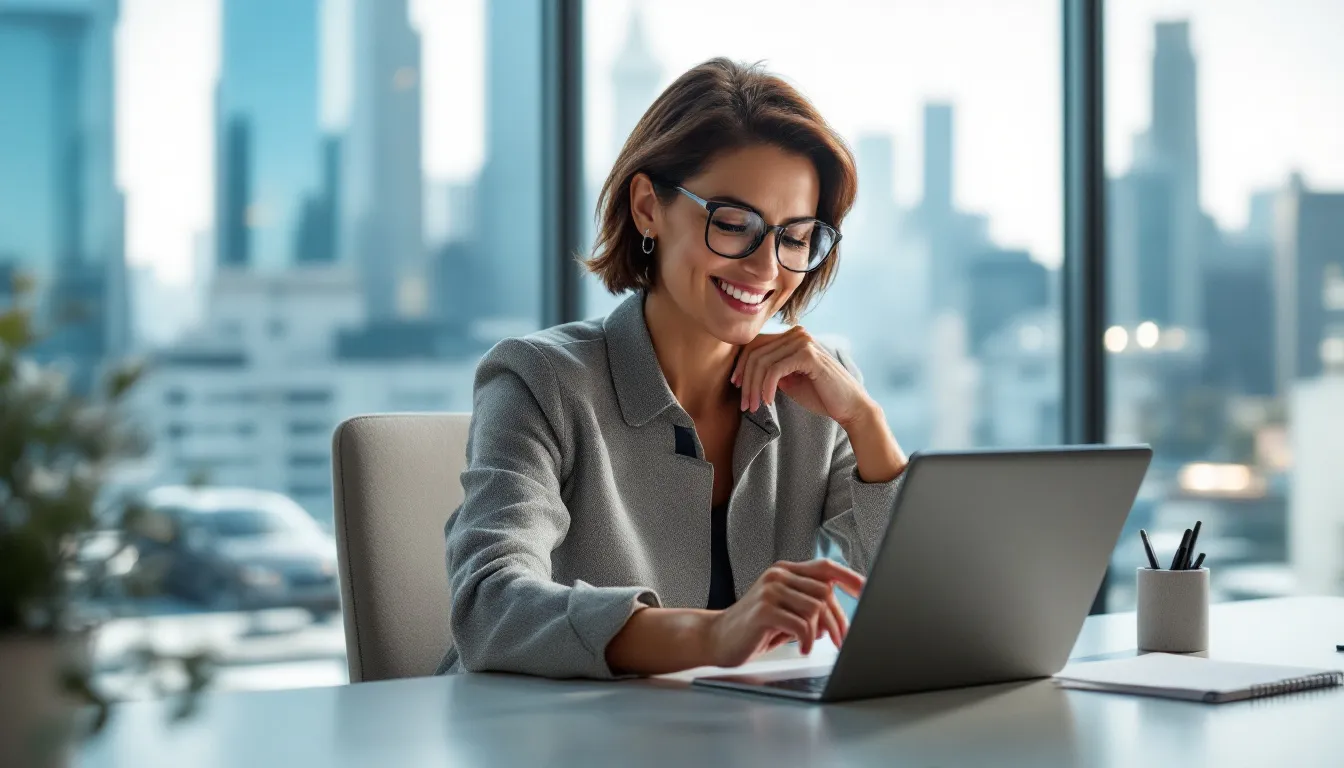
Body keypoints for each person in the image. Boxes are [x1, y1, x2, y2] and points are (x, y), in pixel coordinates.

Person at [435, 58, 907, 679]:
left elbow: (895, 596)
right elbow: (488, 607)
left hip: (744, 736)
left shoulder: (819, 387)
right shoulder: (539, 380)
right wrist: (715, 634)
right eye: (734, 224)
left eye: (795, 237)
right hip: (548, 736)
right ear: (647, 208)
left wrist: (865, 421)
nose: (767, 267)